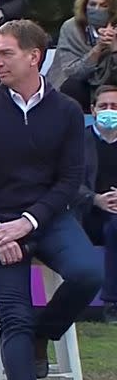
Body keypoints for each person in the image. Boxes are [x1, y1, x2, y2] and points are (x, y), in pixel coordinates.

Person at [0, 20, 103, 380]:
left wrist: (27, 223)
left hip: (49, 217)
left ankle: (46, 332)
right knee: (15, 316)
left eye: (5, 53)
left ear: (33, 56)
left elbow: (69, 181)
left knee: (88, 273)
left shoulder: (66, 112)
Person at [78, 85, 117, 324]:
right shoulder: (78, 141)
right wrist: (95, 199)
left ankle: (112, 302)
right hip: (86, 211)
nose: (109, 111)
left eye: (114, 107)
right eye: (103, 106)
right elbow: (67, 181)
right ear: (92, 110)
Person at [46, 0, 117, 112]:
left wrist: (114, 49)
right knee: (72, 86)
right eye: (92, 4)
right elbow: (72, 72)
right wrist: (98, 48)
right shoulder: (71, 28)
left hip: (110, 88)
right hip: (78, 86)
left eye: (103, 6)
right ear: (85, 6)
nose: (97, 9)